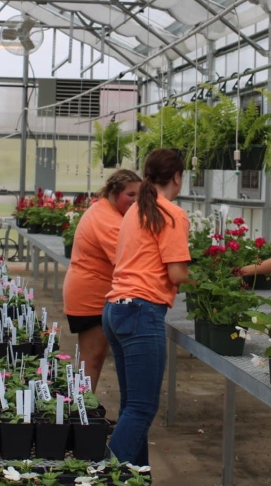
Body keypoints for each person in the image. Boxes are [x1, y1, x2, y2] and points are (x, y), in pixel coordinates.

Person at [103, 148, 189, 466]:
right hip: (141, 312)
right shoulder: (171, 214)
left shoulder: (136, 209)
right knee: (142, 408)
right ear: (177, 177)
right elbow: (176, 273)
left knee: (132, 406)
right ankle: (104, 475)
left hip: (116, 310)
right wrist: (206, 280)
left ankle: (134, 475)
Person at [62, 169, 142, 393]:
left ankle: (83, 413)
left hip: (95, 294)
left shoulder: (107, 211)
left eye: (139, 195)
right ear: (115, 193)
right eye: (130, 195)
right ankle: (80, 416)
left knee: (93, 358)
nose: (136, 201)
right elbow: (126, 258)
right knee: (92, 358)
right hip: (90, 298)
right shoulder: (107, 219)